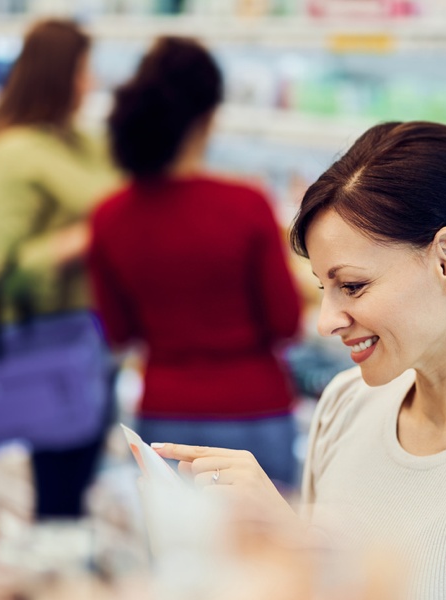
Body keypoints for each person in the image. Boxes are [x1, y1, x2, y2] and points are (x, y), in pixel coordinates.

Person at [155, 122, 446, 598]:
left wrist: (300, 550)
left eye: (354, 286)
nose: (326, 321)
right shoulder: (348, 402)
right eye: (325, 288)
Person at [88, 37, 302, 486]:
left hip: (165, 413)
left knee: (176, 550)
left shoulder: (110, 217)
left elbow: (118, 331)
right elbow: (286, 321)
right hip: (254, 409)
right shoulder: (246, 205)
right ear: (207, 119)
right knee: (268, 555)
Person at [0, 19, 119, 518]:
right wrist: (78, 242)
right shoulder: (10, 155)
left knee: (80, 482)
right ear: (58, 75)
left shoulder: (81, 141)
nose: (90, 83)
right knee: (59, 492)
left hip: (96, 341)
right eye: (82, 71)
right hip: (49, 351)